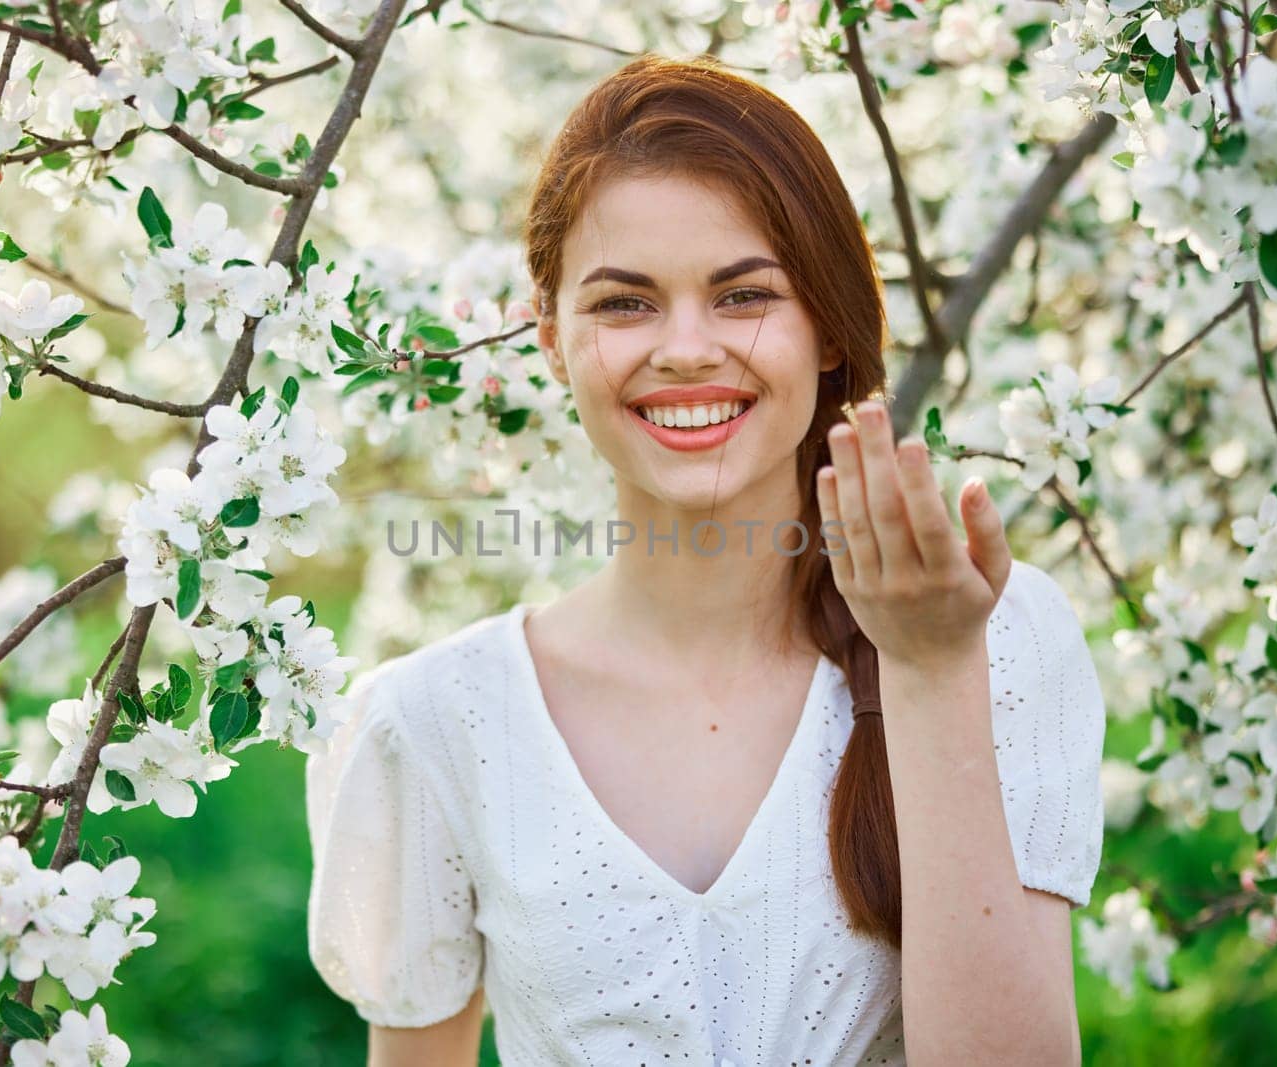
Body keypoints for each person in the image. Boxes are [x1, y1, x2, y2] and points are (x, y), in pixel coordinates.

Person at [305, 52, 1106, 1066]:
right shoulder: (436, 721)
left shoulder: (993, 639)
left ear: (824, 326)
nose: (685, 348)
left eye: (742, 295)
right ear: (552, 338)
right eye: (625, 303)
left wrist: (930, 668)